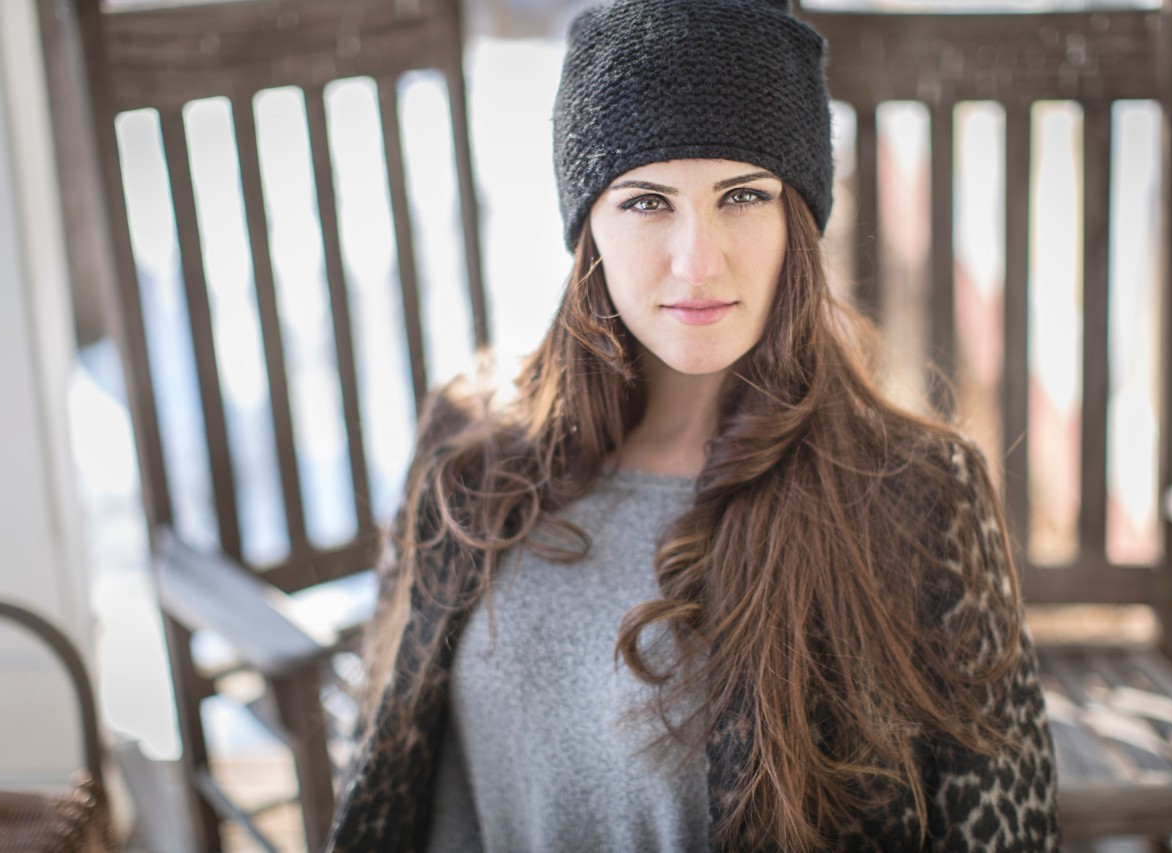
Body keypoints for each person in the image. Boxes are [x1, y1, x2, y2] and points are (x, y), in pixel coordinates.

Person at [327, 0, 1060, 849]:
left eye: (743, 194)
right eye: (646, 202)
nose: (698, 260)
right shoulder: (467, 454)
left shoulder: (917, 493)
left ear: (801, 218)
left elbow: (1009, 831)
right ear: (587, 222)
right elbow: (378, 767)